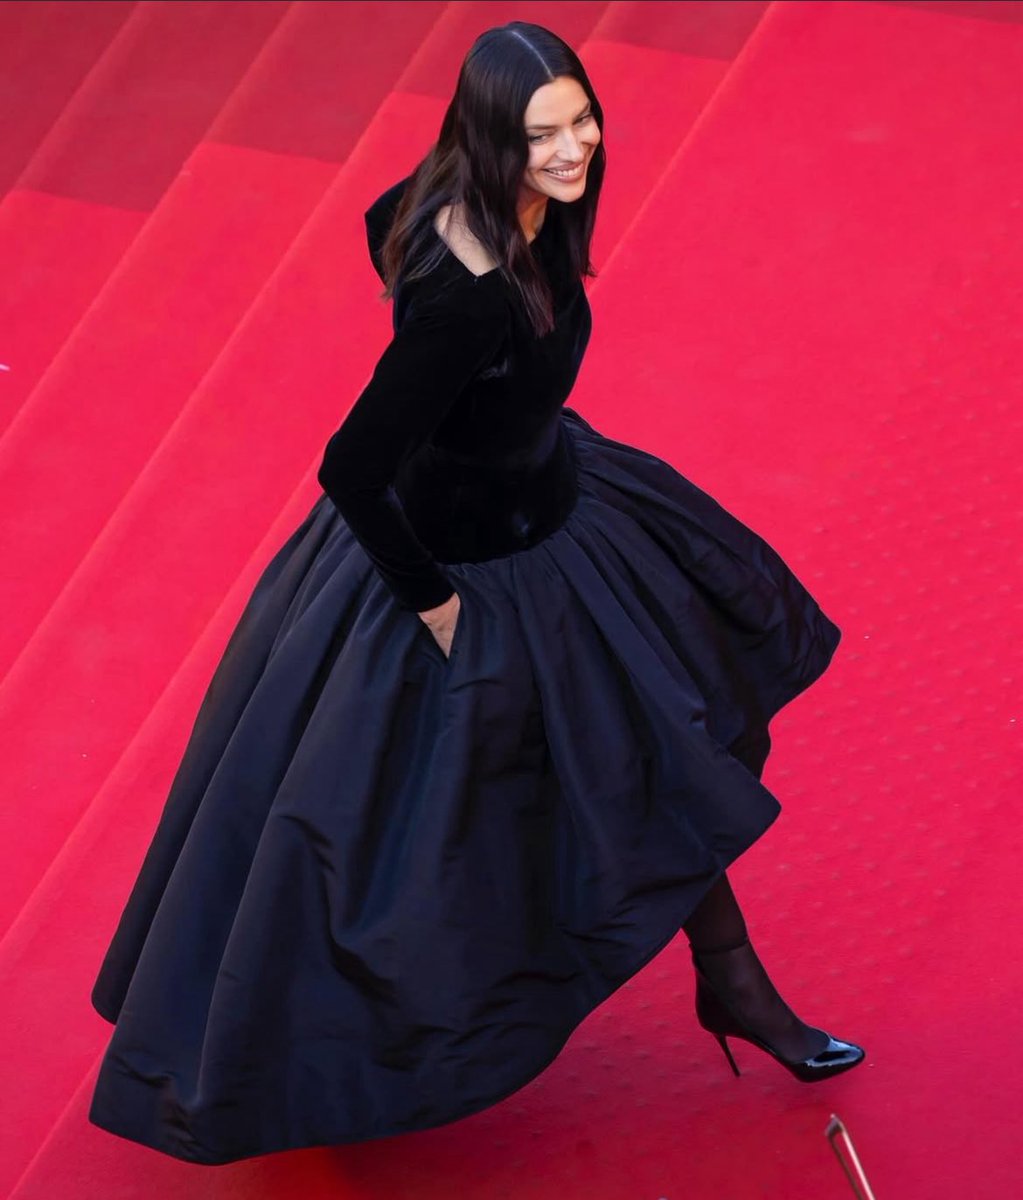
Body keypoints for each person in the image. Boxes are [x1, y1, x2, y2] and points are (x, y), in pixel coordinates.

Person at [88, 21, 864, 1166]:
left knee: (654, 751)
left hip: (557, 513)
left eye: (581, 120)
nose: (574, 149)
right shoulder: (471, 297)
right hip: (469, 576)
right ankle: (336, 1062)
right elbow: (353, 463)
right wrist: (435, 600)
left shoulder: (462, 199)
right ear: (491, 135)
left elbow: (377, 225)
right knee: (408, 839)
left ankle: (733, 981)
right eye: (542, 133)